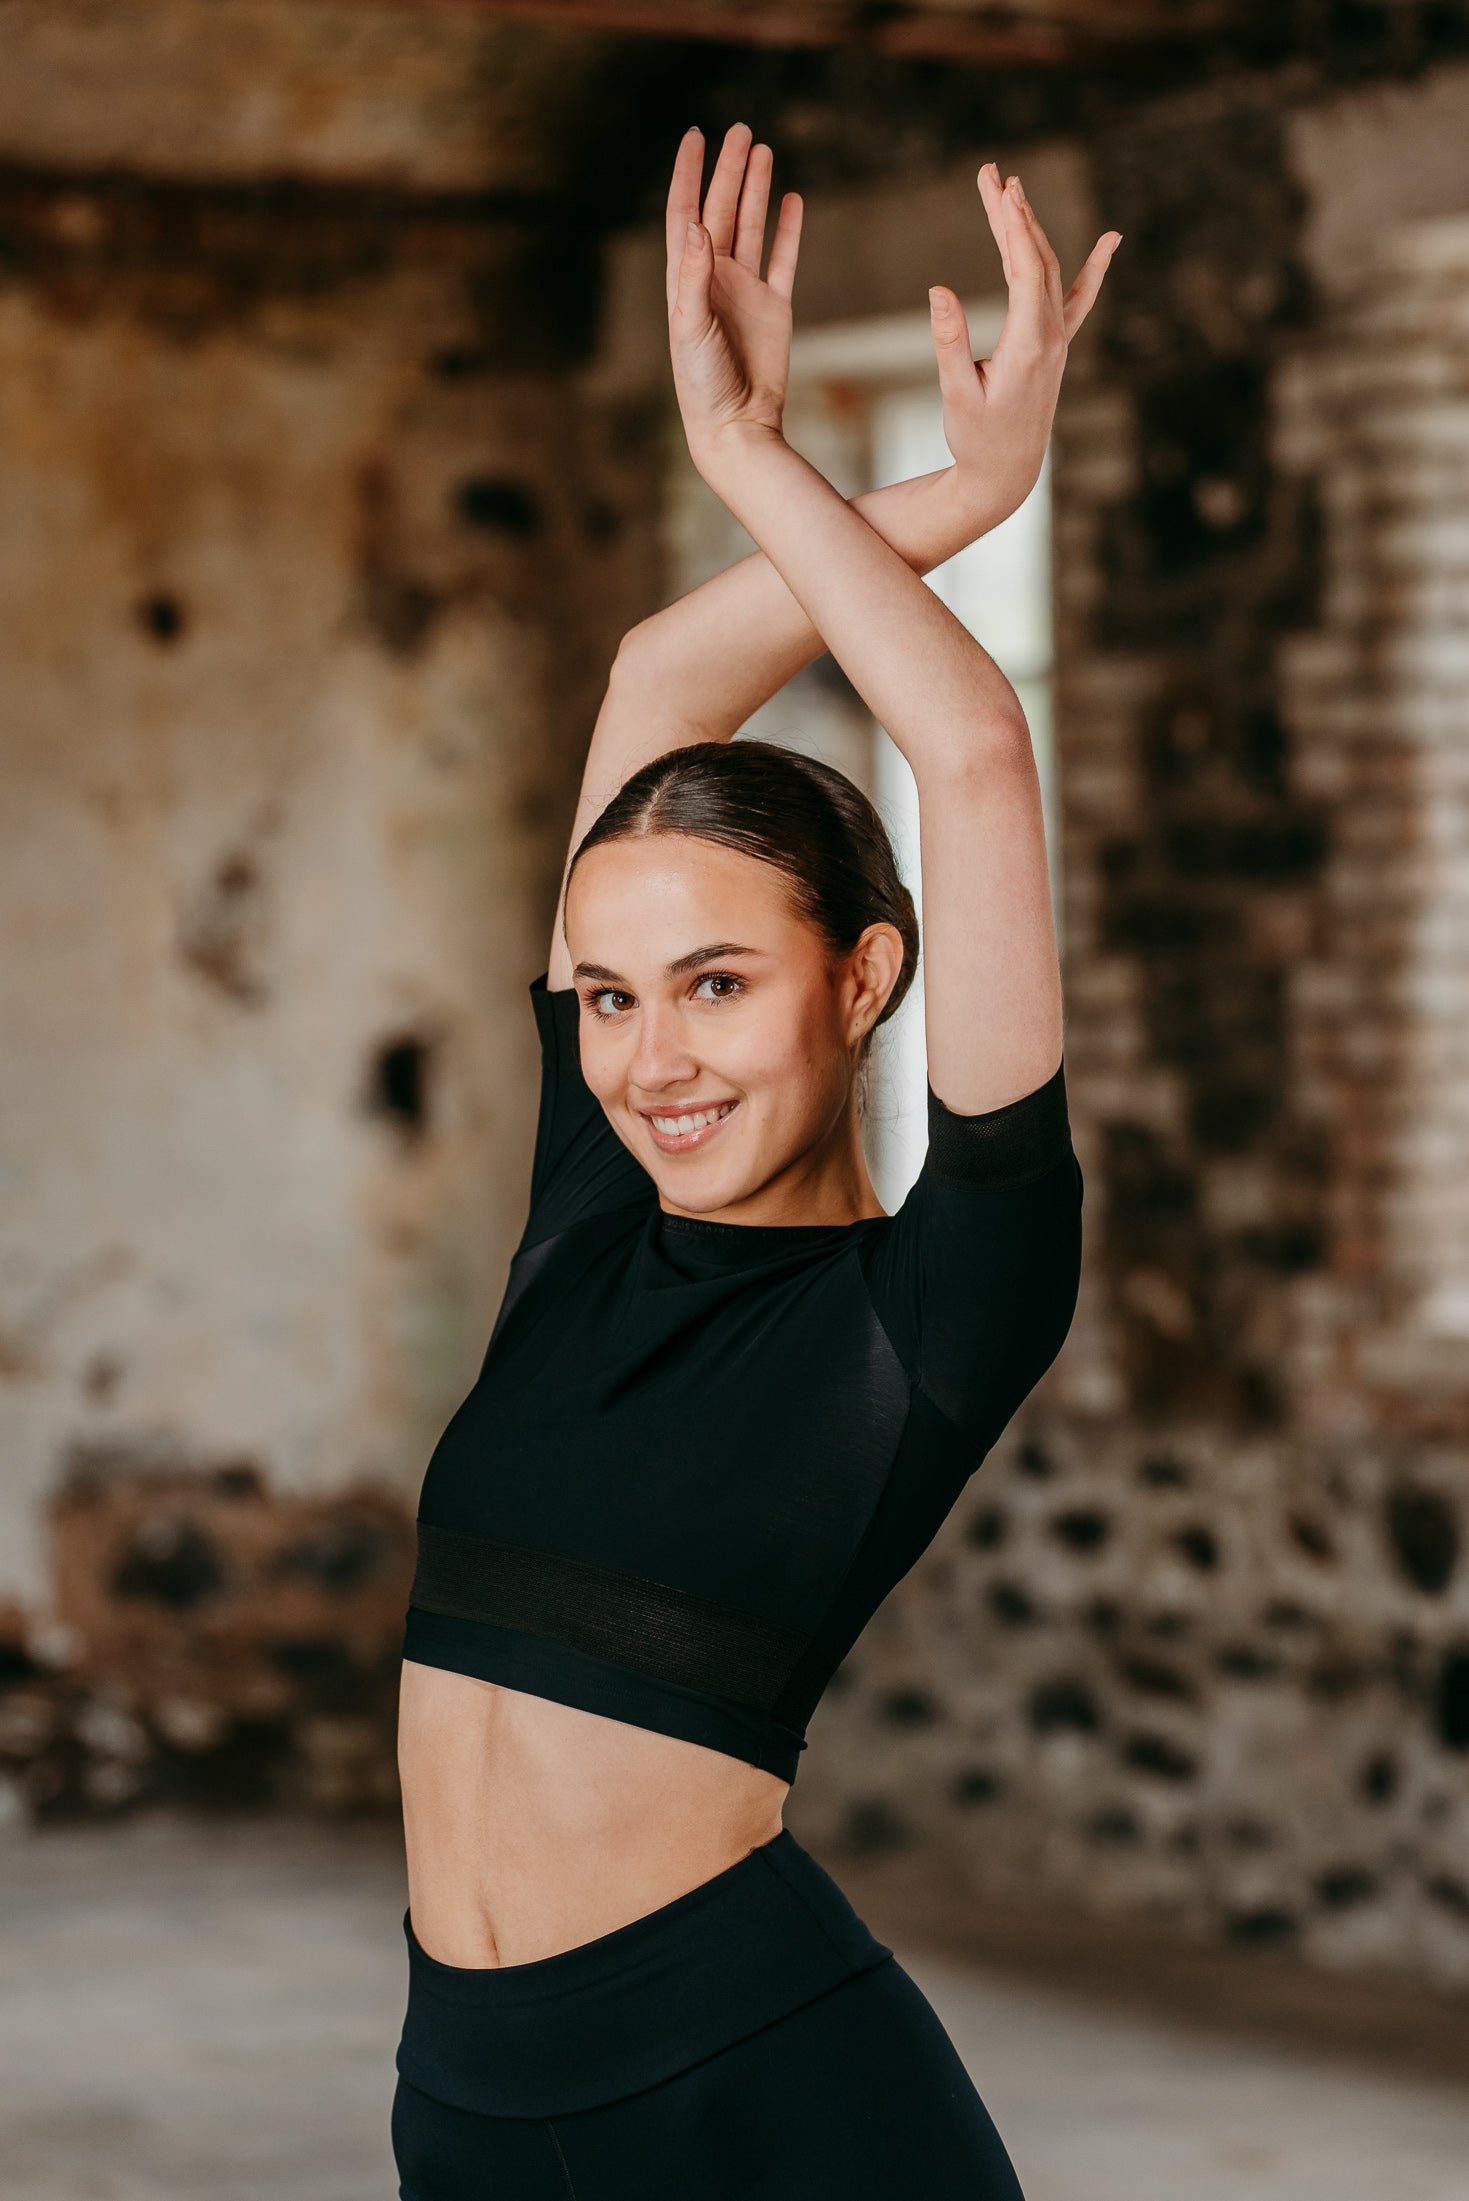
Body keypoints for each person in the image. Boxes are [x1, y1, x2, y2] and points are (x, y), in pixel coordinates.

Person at [391, 121, 1119, 2201]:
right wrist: (956, 491)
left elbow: (972, 754)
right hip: (467, 2094)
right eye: (610, 999)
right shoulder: (588, 1225)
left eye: (716, 984)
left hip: (754, 2096)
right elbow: (657, 680)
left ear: (864, 977)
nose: (645, 1057)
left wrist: (755, 457)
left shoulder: (941, 1304)